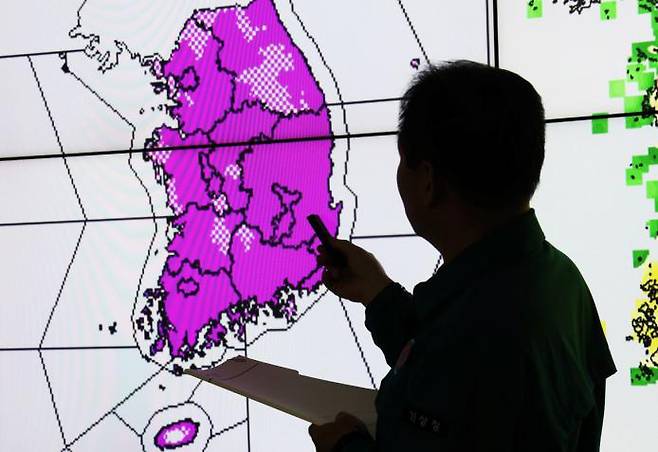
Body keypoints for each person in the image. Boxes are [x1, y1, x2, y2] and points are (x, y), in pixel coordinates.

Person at [307, 60, 617, 452]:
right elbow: (442, 361)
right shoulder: (558, 279)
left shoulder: (487, 331)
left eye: (404, 160)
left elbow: (459, 363)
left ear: (428, 181)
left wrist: (345, 447)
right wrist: (376, 290)